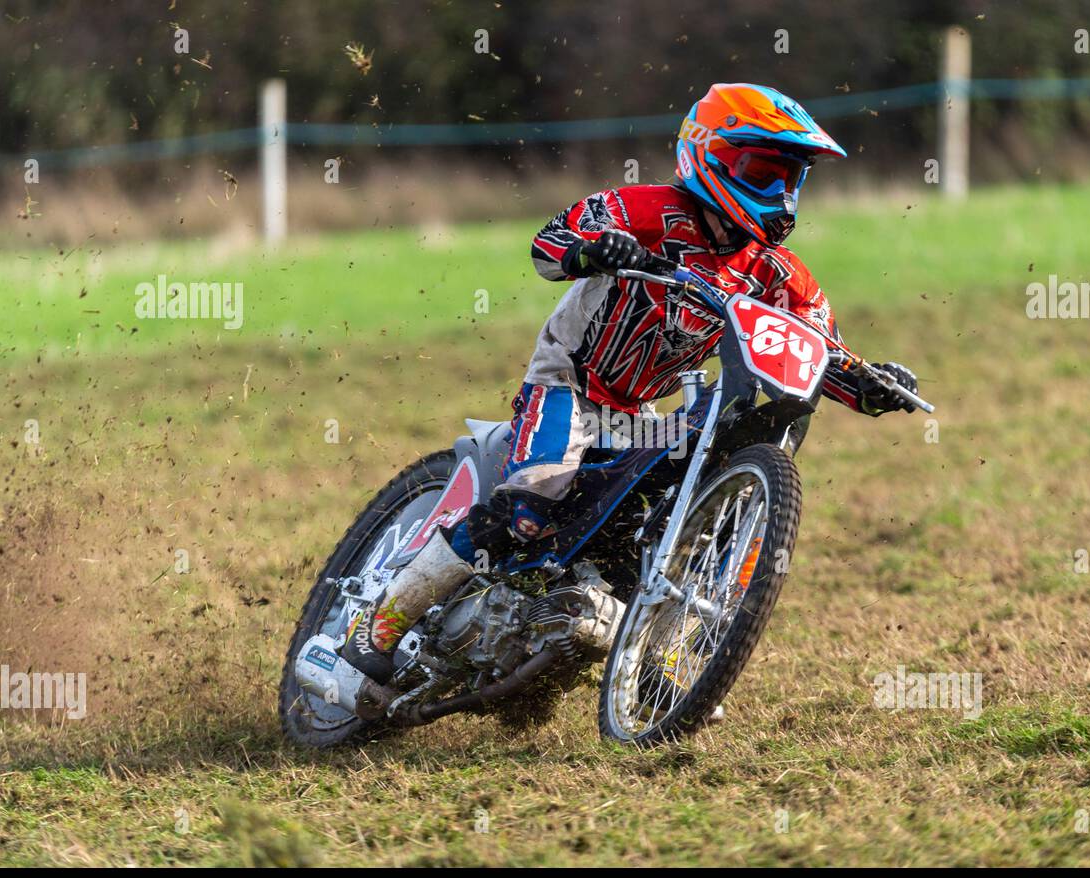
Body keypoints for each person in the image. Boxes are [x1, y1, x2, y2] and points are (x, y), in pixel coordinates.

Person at [343, 83, 918, 684]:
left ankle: (648, 657)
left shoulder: (777, 274)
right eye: (763, 172)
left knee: (653, 521)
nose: (781, 193)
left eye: (792, 180)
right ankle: (385, 617)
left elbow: (817, 346)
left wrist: (867, 382)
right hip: (570, 382)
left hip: (641, 408)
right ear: (712, 155)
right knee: (532, 506)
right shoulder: (647, 210)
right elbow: (548, 245)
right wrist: (595, 250)